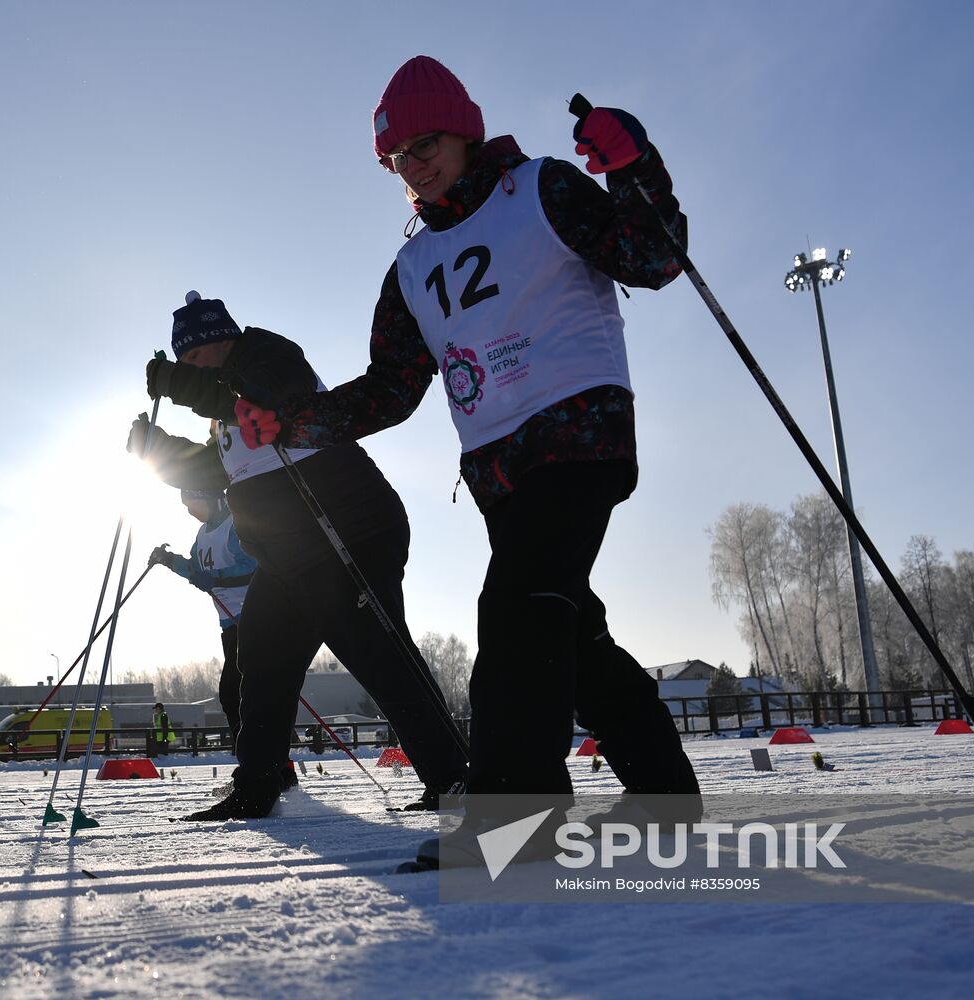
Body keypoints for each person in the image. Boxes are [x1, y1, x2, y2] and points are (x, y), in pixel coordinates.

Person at [232, 56, 700, 817]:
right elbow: (390, 389)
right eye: (395, 158)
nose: (412, 168)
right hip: (499, 470)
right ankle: (665, 795)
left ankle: (514, 812)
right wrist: (291, 423)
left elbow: (651, 257)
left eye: (426, 146)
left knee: (515, 611)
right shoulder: (413, 264)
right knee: (569, 632)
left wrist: (634, 166)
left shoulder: (541, 187)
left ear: (466, 133)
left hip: (578, 435)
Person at [129, 293, 468, 820]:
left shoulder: (268, 356)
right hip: (286, 556)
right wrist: (155, 448)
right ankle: (257, 784)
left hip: (346, 532)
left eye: (196, 358)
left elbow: (265, 398)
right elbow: (213, 472)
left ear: (222, 341)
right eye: (186, 364)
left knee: (380, 657)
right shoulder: (221, 417)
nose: (193, 369)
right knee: (260, 663)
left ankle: (454, 776)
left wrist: (179, 385)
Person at [148, 487, 298, 789]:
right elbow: (195, 570)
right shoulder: (203, 535)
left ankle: (264, 768)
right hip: (229, 624)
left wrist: (215, 579)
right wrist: (169, 560)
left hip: (257, 617)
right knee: (238, 696)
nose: (192, 511)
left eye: (195, 504)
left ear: (213, 498)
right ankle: (273, 767)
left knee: (236, 693)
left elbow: (253, 567)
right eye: (188, 507)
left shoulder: (235, 525)